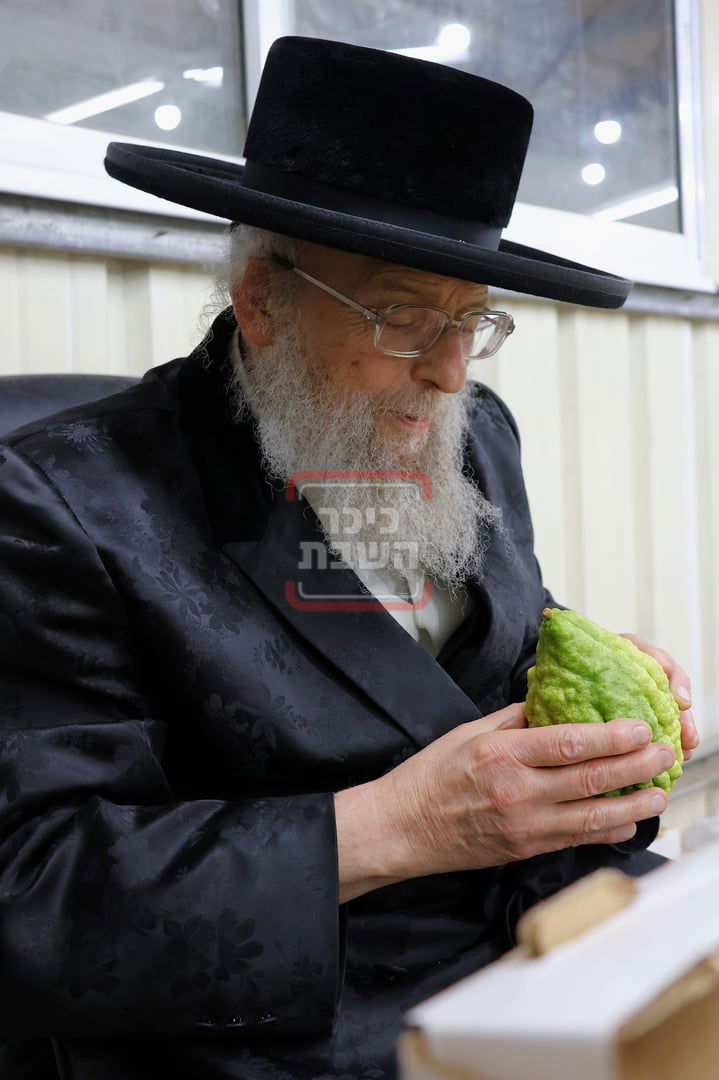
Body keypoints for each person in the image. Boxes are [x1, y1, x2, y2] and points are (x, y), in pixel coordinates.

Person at [0, 36, 698, 1080]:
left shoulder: (473, 430)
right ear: (260, 303)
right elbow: (35, 894)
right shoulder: (65, 502)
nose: (447, 370)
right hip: (304, 1027)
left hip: (543, 942)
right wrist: (399, 824)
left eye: (474, 320)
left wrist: (590, 714)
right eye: (404, 314)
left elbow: (465, 669)